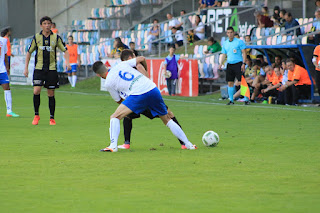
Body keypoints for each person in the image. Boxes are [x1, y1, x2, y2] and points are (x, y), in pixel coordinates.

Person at [92, 50, 197, 152]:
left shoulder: (108, 83)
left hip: (138, 94)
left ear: (98, 75)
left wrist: (132, 107)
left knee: (115, 116)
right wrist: (145, 74)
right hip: (152, 88)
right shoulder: (121, 65)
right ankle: (188, 144)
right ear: (106, 66)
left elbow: (119, 101)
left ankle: (113, 146)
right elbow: (142, 58)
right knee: (167, 119)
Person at [23, 16, 70, 125]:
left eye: (49, 23)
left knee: (51, 93)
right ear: (41, 25)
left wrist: (67, 62)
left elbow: (65, 50)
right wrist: (26, 67)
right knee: (36, 91)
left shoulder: (56, 38)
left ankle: (52, 118)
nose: (47, 25)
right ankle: (36, 115)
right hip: (39, 69)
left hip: (51, 70)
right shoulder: (36, 37)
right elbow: (29, 52)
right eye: (45, 23)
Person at [218, 27, 248, 105]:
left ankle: (246, 99)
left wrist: (244, 63)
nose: (230, 34)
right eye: (228, 32)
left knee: (242, 82)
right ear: (227, 34)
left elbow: (244, 52)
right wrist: (221, 62)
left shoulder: (239, 42)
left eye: (231, 32)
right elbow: (224, 54)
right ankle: (231, 100)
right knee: (230, 82)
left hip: (238, 64)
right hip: (230, 64)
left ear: (233, 33)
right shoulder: (225, 43)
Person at [0, 36, 19, 117]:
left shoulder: (3, 40)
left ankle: (9, 111)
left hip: (2, 70)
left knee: (7, 88)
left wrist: (7, 67)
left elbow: (5, 56)